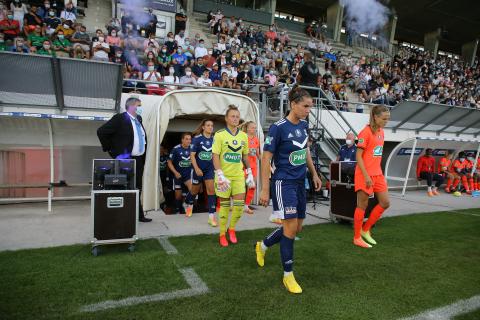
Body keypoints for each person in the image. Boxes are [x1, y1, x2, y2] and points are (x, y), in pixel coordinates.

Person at [255, 86, 322, 294]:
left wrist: (314, 173)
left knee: (295, 229)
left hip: (300, 182)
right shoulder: (278, 128)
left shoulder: (303, 126)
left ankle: (263, 245)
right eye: (305, 106)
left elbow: (305, 150)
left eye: (310, 107)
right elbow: (266, 158)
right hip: (283, 183)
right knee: (290, 229)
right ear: (293, 104)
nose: (308, 110)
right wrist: (265, 189)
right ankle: (288, 275)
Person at [97, 97, 152, 222]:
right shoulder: (120, 118)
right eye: (139, 105)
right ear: (131, 106)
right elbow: (101, 132)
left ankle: (139, 215)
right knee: (124, 186)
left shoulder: (138, 119)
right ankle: (123, 215)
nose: (140, 108)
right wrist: (112, 151)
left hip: (138, 159)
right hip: (125, 159)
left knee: (137, 186)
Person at [212, 105, 254, 247]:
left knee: (239, 205)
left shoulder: (243, 136)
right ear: (226, 118)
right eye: (232, 116)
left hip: (238, 176)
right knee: (224, 206)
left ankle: (232, 229)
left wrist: (249, 172)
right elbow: (215, 156)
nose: (235, 119)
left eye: (237, 116)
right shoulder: (219, 135)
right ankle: (222, 233)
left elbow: (245, 156)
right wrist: (220, 174)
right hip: (224, 176)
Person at [353, 105, 391, 248]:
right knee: (362, 205)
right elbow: (358, 156)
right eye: (384, 118)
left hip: (378, 174)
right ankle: (356, 237)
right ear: (375, 117)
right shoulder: (364, 132)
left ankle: (365, 229)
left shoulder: (381, 132)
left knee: (385, 202)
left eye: (388, 119)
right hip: (364, 174)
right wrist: (366, 175)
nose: (386, 121)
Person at [185, 120, 217, 225]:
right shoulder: (197, 139)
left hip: (209, 169)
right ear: (203, 127)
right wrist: (197, 168)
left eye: (212, 125)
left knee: (211, 191)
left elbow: (216, 155)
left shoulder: (215, 140)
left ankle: (211, 216)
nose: (210, 127)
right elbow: (192, 155)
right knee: (194, 191)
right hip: (198, 169)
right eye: (208, 125)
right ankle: (189, 203)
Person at [167, 133, 193, 215]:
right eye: (187, 139)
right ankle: (177, 210)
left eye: (190, 139)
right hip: (178, 176)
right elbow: (169, 162)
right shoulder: (176, 149)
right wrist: (175, 172)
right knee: (178, 196)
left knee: (193, 191)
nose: (189, 141)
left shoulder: (192, 149)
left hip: (188, 175)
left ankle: (187, 206)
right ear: (182, 140)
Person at [242, 121, 260, 215]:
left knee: (252, 186)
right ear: (248, 128)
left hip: (253, 167)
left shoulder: (256, 139)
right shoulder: (243, 137)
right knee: (240, 186)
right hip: (243, 166)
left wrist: (266, 162)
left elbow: (258, 154)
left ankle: (246, 206)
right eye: (252, 127)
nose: (254, 129)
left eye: (255, 127)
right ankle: (233, 204)